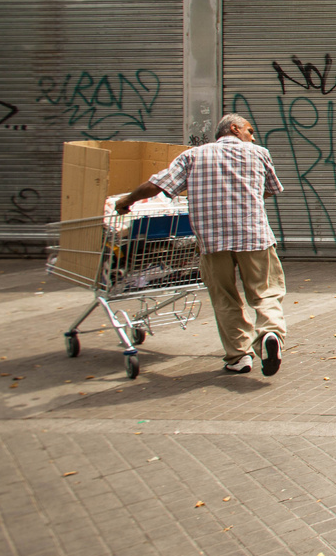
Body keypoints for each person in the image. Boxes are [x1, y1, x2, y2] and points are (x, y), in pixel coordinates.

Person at [115, 114, 286, 376]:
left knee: (225, 297)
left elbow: (155, 185)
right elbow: (269, 190)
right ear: (234, 128)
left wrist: (126, 201)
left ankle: (239, 356)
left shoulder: (192, 156)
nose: (253, 136)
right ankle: (270, 334)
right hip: (254, 237)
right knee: (266, 292)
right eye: (250, 130)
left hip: (212, 241)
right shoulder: (259, 153)